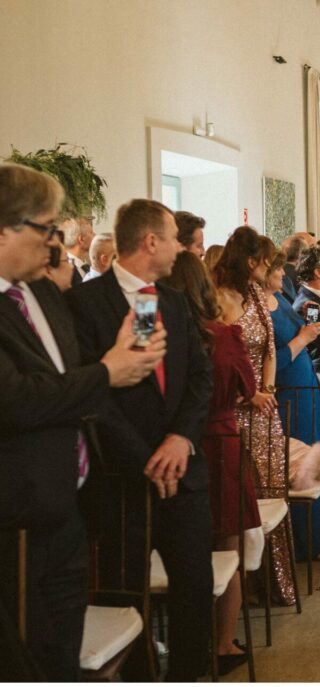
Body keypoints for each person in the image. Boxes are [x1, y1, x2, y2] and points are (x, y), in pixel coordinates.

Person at [0, 164, 164, 681]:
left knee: (61, 658)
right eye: (47, 229)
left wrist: (122, 357)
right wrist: (108, 371)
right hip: (15, 522)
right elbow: (17, 399)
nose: (55, 245)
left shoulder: (43, 294)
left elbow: (84, 370)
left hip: (70, 508)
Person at [67, 198, 214, 680]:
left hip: (182, 474)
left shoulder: (167, 299)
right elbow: (93, 396)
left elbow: (198, 378)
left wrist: (178, 439)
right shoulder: (86, 303)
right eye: (173, 238)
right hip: (123, 481)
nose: (180, 248)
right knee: (125, 597)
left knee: (195, 593)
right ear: (151, 241)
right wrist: (147, 456)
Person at [162, 250, 261, 673]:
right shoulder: (223, 334)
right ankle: (221, 642)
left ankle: (177, 642)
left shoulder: (158, 332)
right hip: (220, 441)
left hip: (168, 446)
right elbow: (248, 387)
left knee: (179, 548)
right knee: (228, 546)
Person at [212, 225, 296, 606]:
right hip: (233, 409)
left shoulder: (258, 298)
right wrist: (248, 395)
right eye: (264, 263)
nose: (268, 269)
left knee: (272, 489)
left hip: (264, 408)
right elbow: (222, 357)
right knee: (240, 500)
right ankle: (239, 591)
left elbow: (270, 350)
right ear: (249, 262)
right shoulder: (219, 297)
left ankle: (273, 582)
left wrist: (268, 390)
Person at [263, 245, 320, 563]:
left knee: (316, 454)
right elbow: (267, 363)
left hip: (305, 385)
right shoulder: (256, 308)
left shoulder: (280, 296)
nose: (285, 273)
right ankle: (308, 540)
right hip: (288, 391)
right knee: (300, 466)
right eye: (278, 269)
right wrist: (302, 338)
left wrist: (304, 324)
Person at [62, 215, 94, 282]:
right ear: (81, 239)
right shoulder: (64, 271)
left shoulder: (89, 268)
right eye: (91, 233)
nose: (95, 235)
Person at [279, 234, 307, 303]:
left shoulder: (279, 272)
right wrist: (312, 313)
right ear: (300, 254)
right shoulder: (303, 276)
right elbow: (310, 307)